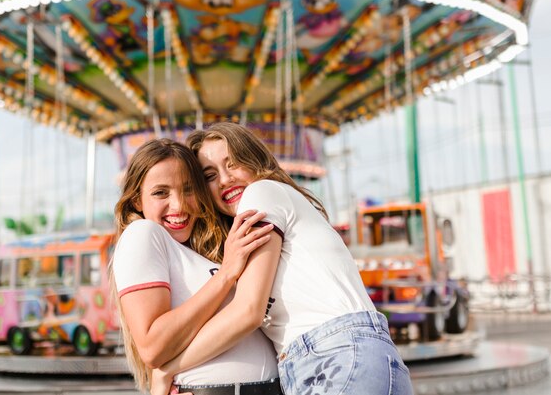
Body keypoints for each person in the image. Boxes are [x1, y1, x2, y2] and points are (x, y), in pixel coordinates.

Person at [152, 122, 413, 395]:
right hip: (345, 358)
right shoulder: (254, 233)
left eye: (233, 163)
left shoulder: (262, 192)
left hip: (335, 355)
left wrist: (169, 368)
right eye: (209, 175)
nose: (225, 179)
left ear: (255, 160)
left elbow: (247, 312)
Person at [110, 138, 282, 394]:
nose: (179, 205)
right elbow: (152, 346)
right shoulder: (143, 233)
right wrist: (225, 274)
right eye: (160, 192)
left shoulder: (196, 253)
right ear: (136, 200)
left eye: (189, 190)